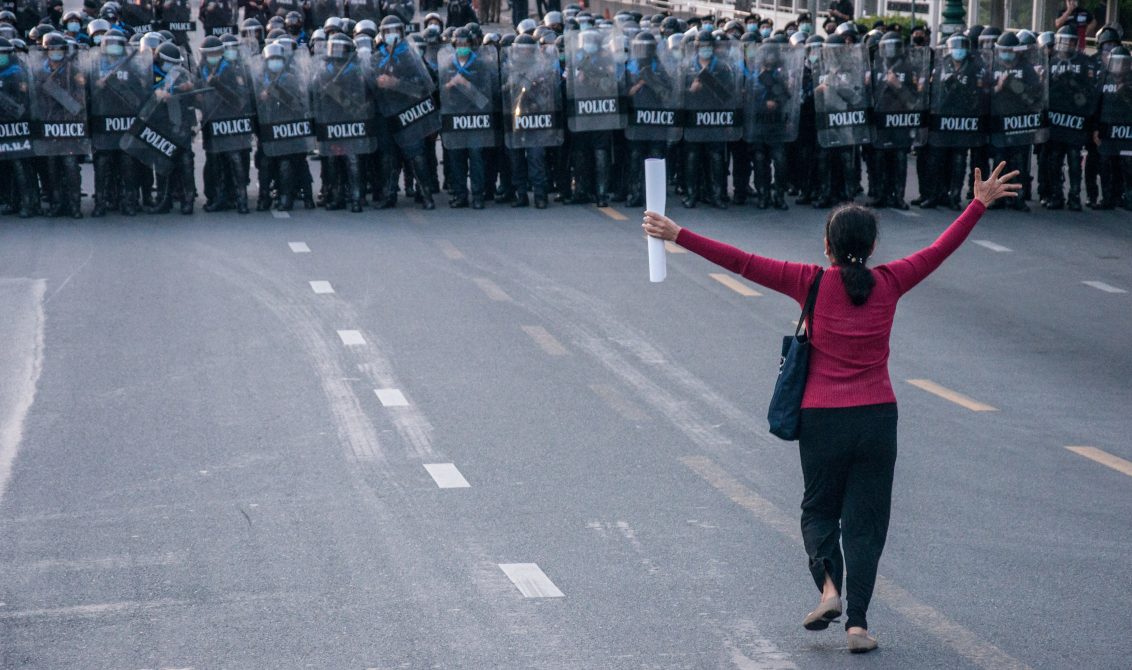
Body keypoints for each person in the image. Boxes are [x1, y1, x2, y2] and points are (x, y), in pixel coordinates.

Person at [642, 162, 1022, 655]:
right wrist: (978, 204)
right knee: (866, 523)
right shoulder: (891, 281)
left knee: (819, 510)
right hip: (878, 418)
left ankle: (828, 590)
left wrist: (678, 234)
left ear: (827, 247)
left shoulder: (811, 283)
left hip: (823, 418)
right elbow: (939, 250)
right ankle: (858, 626)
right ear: (871, 249)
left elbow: (741, 261)